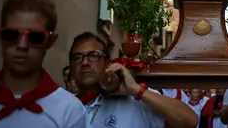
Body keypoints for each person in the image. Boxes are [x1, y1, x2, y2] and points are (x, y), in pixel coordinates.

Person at [0, 0, 85, 127]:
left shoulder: (71, 111)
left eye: (35, 37)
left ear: (50, 41)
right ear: (1, 36)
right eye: (12, 35)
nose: (22, 45)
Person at [69, 32, 198, 128]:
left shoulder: (136, 102)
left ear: (108, 63)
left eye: (94, 56)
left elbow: (189, 121)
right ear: (71, 67)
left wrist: (136, 90)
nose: (85, 62)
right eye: (77, 58)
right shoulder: (60, 106)